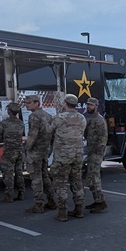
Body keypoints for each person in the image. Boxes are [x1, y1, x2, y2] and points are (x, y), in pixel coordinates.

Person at [48, 94, 88, 222]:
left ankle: (62, 212)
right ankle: (79, 209)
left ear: (65, 103)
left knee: (61, 184)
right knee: (77, 182)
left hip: (62, 156)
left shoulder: (59, 118)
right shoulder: (82, 118)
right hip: (77, 155)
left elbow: (48, 130)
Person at [23, 95, 56, 214]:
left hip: (35, 151)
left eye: (29, 102)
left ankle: (38, 204)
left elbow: (32, 136)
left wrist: (27, 149)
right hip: (45, 150)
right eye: (25, 102)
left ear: (37, 103)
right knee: (45, 175)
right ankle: (52, 200)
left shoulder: (34, 116)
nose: (26, 105)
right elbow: (52, 133)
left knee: (36, 177)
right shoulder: (48, 115)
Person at [83, 97, 109, 213]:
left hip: (96, 153)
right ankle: (97, 200)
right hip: (90, 151)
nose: (89, 107)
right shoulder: (87, 117)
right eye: (88, 105)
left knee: (94, 177)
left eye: (91, 105)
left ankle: (100, 201)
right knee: (90, 178)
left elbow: (103, 139)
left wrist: (98, 153)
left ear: (96, 106)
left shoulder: (100, 120)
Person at [0, 102, 26, 203]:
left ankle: (9, 196)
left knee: (8, 173)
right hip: (19, 150)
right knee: (19, 172)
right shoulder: (21, 123)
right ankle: (21, 193)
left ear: (9, 111)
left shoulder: (3, 123)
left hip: (9, 151)